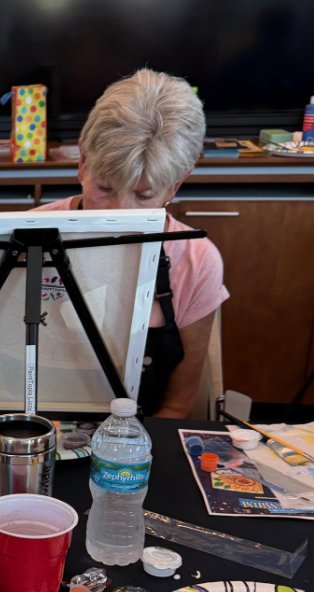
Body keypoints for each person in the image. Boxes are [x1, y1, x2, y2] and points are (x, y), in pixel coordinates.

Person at [33, 68, 229, 418]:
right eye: (105, 188)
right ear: (82, 163)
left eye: (144, 195)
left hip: (135, 449)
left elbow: (176, 404)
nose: (119, 212)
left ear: (175, 187)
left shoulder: (196, 261)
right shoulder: (28, 235)